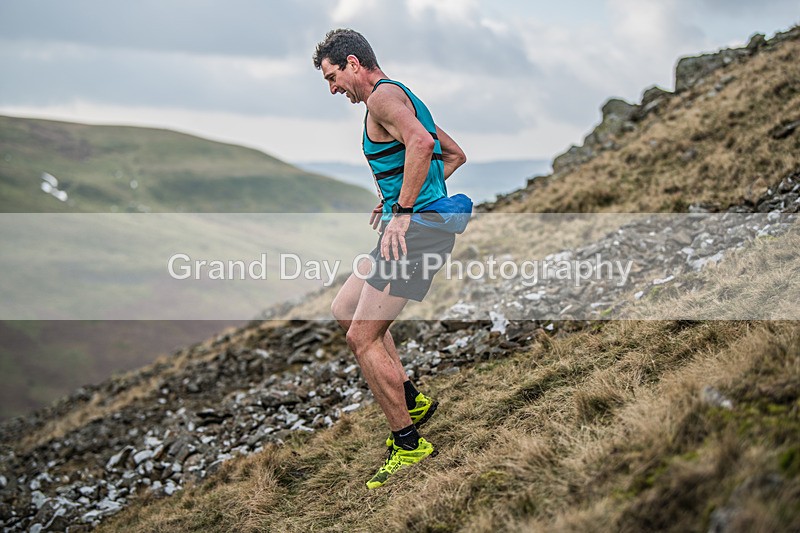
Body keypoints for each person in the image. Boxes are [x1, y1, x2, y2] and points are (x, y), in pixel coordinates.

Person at [313, 28, 467, 489]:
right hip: (411, 228)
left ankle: (408, 443)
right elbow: (453, 155)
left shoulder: (381, 99)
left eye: (332, 76)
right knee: (344, 309)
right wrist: (406, 196)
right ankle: (411, 399)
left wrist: (403, 212)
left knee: (363, 338)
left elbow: (422, 145)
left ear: (354, 63)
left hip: (415, 235)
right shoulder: (401, 96)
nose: (333, 88)